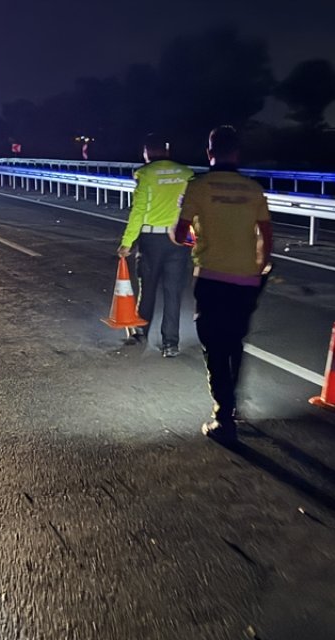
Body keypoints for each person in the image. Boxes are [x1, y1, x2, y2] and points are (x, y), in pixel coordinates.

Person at [172, 125, 272, 444]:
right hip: (246, 279)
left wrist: (192, 235)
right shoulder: (253, 189)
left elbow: (178, 234)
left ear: (209, 153)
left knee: (214, 346)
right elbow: (267, 238)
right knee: (234, 342)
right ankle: (233, 404)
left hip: (212, 277)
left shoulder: (198, 187)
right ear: (237, 152)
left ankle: (223, 415)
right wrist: (259, 268)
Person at [118, 134, 194, 357]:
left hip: (152, 241)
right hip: (180, 239)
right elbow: (191, 211)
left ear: (146, 153)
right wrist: (191, 243)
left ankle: (141, 333)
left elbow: (138, 212)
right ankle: (171, 344)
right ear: (167, 150)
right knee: (173, 293)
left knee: (148, 289)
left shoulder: (145, 174)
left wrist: (127, 242)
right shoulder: (186, 173)